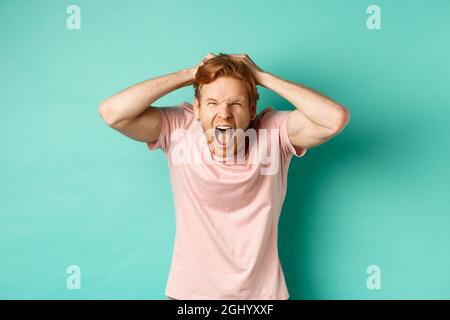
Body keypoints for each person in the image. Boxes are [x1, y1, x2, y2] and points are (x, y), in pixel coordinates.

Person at [99, 53, 350, 300]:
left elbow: (334, 119)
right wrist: (189, 75)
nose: (224, 113)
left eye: (236, 103)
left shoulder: (273, 133)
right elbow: (112, 112)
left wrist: (263, 77)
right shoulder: (179, 129)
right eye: (212, 103)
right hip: (190, 297)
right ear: (196, 108)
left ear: (252, 109)